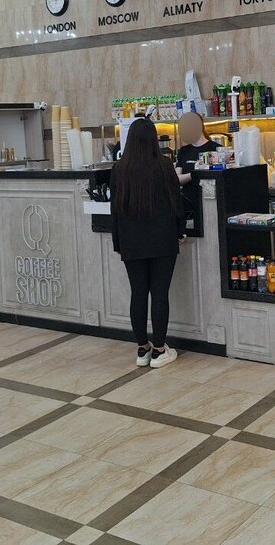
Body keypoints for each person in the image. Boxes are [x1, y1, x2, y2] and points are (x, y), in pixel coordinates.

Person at [110, 118, 186, 368]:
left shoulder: (119, 169)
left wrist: (118, 242)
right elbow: (176, 202)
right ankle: (160, 350)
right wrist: (180, 230)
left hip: (131, 240)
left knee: (138, 293)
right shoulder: (163, 165)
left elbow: (115, 210)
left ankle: (142, 349)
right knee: (160, 293)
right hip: (162, 238)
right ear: (154, 139)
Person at [175, 111, 220, 219]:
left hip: (210, 202)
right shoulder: (184, 151)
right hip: (187, 203)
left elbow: (218, 177)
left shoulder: (216, 149)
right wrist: (194, 174)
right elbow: (177, 179)